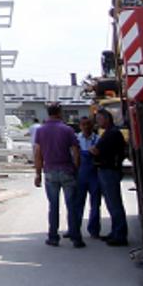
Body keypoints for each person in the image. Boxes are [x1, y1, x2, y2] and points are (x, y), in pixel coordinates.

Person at [32, 102, 83, 248]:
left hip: (50, 171)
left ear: (48, 113)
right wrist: (76, 169)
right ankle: (76, 237)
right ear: (59, 113)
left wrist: (38, 174)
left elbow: (38, 153)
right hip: (66, 169)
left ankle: (53, 237)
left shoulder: (41, 131)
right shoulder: (67, 130)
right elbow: (76, 152)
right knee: (71, 205)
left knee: (53, 206)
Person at [91, 108, 129, 247]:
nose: (97, 122)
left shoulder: (111, 134)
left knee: (114, 204)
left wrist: (91, 150)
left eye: (99, 119)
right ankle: (115, 232)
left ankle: (120, 234)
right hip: (109, 170)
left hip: (109, 170)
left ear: (107, 119)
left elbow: (96, 150)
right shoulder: (111, 133)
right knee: (111, 203)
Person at [67, 115, 102, 240]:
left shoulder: (98, 139)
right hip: (80, 175)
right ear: (80, 126)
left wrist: (98, 153)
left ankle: (94, 230)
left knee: (95, 204)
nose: (86, 127)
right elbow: (72, 156)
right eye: (83, 124)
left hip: (94, 175)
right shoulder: (76, 139)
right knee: (77, 203)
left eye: (88, 124)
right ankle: (74, 229)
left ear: (93, 125)